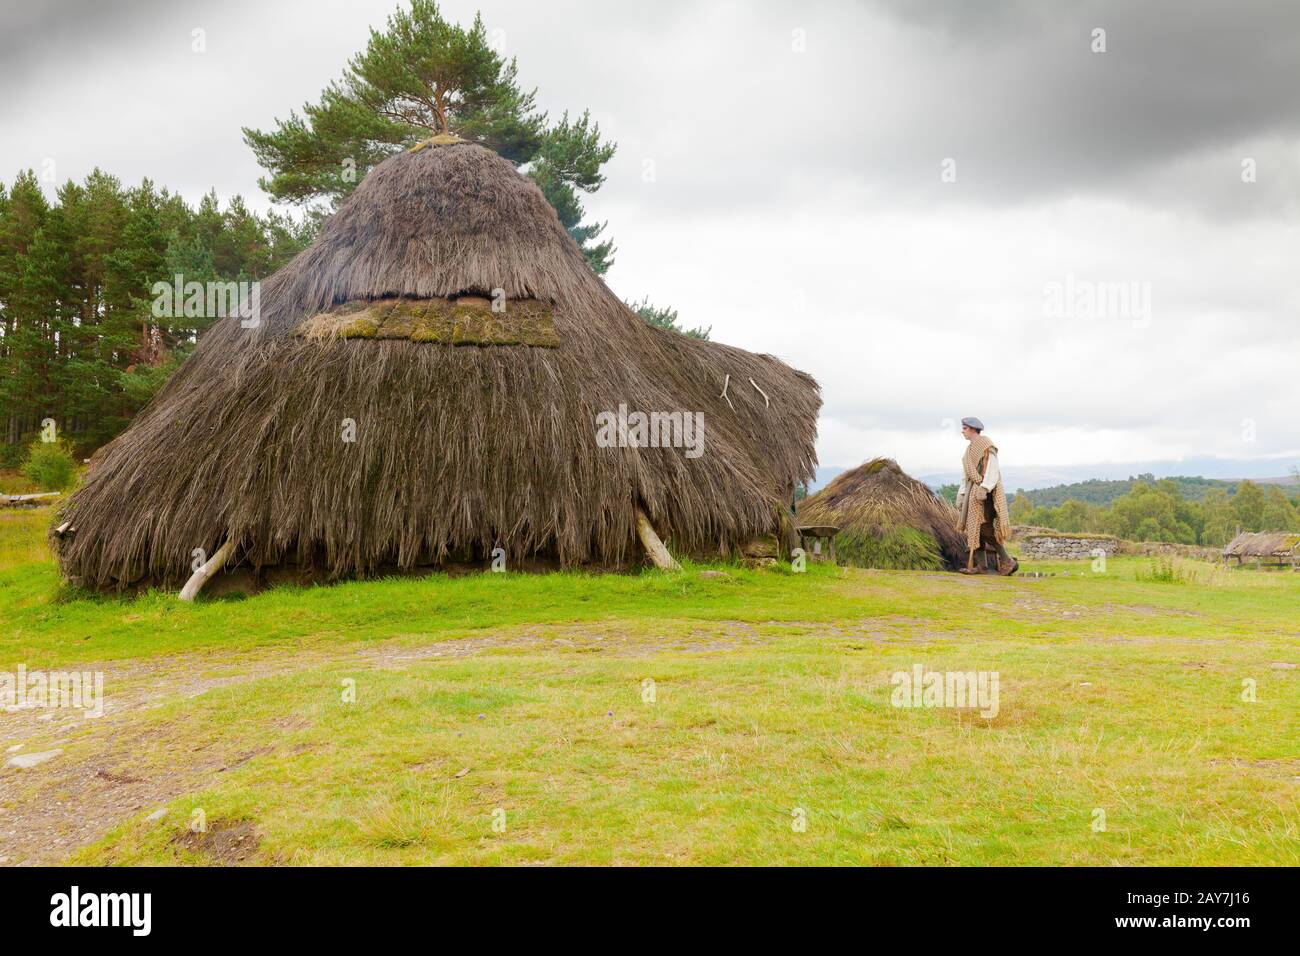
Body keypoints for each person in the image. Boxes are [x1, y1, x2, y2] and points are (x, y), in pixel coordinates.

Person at [954, 417, 1017, 575]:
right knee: (974, 528)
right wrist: (962, 493)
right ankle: (981, 566)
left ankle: (1007, 561)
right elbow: (966, 475)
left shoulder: (986, 445)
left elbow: (992, 469)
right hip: (972, 492)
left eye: (965, 428)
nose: (962, 431)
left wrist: (985, 488)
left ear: (973, 429)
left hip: (986, 495)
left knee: (984, 528)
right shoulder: (968, 451)